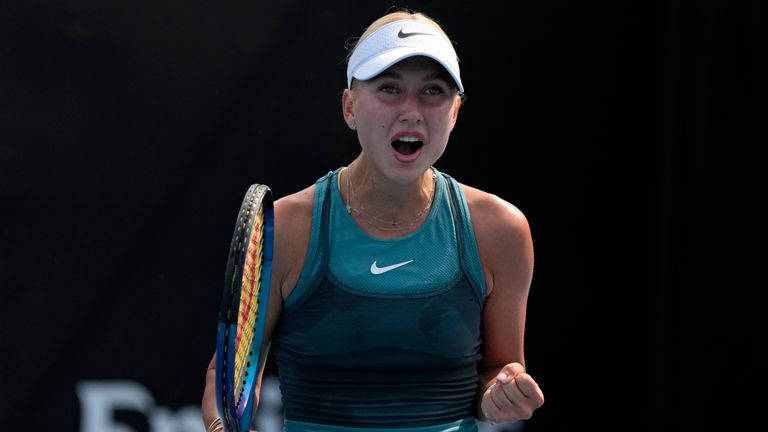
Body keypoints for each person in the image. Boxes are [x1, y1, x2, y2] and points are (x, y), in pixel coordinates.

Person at [202, 8, 544, 432]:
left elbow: (497, 371)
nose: (412, 111)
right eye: (389, 88)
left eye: (433, 91)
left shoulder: (500, 231)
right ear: (350, 107)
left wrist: (501, 394)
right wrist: (221, 428)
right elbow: (227, 378)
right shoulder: (288, 228)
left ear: (454, 112)